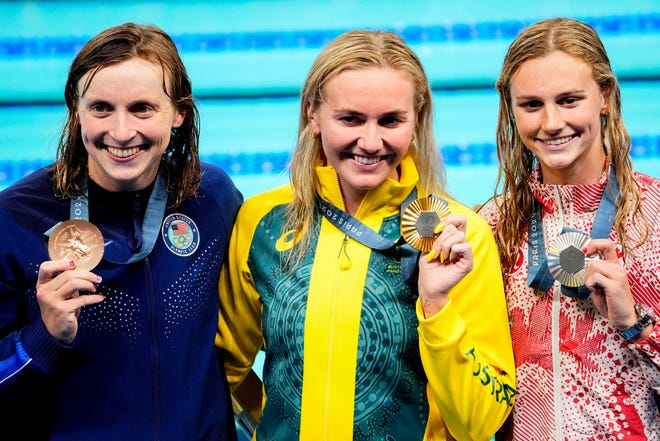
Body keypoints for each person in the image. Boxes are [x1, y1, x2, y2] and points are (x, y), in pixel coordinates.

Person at [216, 29, 516, 440]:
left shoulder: (459, 236)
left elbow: (480, 423)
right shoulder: (263, 222)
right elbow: (222, 371)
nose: (370, 142)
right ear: (313, 114)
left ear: (417, 120)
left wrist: (437, 305)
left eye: (391, 120)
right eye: (350, 119)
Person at [0, 23, 242, 440]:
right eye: (101, 108)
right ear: (77, 112)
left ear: (179, 113)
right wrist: (44, 337)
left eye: (142, 108)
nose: (121, 131)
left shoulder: (213, 199)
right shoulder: (16, 216)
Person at [478, 17, 660, 440]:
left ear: (605, 97)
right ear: (511, 109)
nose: (552, 122)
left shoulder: (653, 214)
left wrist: (634, 324)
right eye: (532, 105)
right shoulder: (491, 225)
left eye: (569, 100)